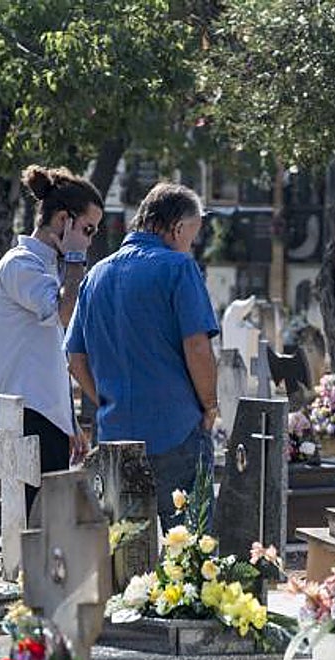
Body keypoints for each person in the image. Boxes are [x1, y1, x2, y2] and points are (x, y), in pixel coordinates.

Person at [65, 182, 219, 526]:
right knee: (191, 551)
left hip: (115, 432)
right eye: (191, 236)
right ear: (178, 229)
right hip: (175, 428)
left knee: (125, 552)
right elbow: (197, 346)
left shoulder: (95, 277)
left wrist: (105, 400)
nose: (189, 246)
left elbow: (75, 359)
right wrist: (209, 405)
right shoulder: (179, 268)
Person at [0, 165, 103, 514]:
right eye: (87, 229)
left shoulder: (49, 268)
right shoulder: (20, 265)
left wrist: (68, 422)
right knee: (37, 525)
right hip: (26, 416)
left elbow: (52, 353)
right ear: (63, 221)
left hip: (45, 417)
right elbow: (65, 314)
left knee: (48, 524)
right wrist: (77, 257)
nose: (90, 239)